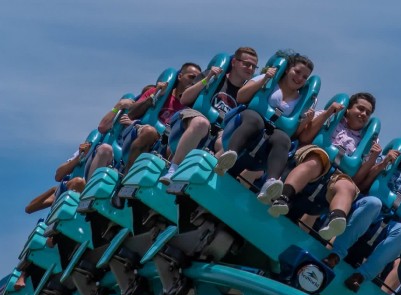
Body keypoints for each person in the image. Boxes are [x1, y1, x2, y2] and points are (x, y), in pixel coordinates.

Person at [323, 134, 401, 295]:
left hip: (389, 224)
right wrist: (383, 164)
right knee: (374, 203)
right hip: (367, 210)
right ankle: (335, 255)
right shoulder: (391, 162)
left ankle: (361, 276)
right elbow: (363, 184)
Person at [268, 92, 380, 240]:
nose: (364, 114)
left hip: (337, 175)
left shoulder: (367, 142)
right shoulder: (330, 116)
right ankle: (283, 197)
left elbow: (357, 179)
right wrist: (328, 113)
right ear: (348, 109)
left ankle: (336, 220)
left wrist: (373, 158)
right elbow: (305, 137)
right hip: (316, 158)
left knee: (348, 185)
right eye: (360, 108)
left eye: (368, 113)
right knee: (317, 161)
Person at [221, 51, 316, 203]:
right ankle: (230, 154)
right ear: (287, 69)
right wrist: (264, 79)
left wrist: (305, 121)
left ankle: (270, 183)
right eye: (297, 72)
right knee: (255, 120)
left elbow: (294, 133)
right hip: (248, 122)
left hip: (271, 137)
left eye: (305, 77)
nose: (299, 78)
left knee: (284, 139)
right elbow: (241, 96)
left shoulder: (301, 101)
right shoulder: (269, 80)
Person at [160, 47, 259, 184]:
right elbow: (184, 99)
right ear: (234, 62)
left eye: (254, 66)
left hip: (220, 130)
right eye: (246, 64)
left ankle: (203, 177)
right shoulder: (213, 76)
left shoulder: (246, 93)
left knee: (230, 143)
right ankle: (174, 169)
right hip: (194, 118)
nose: (250, 69)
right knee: (201, 123)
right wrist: (207, 79)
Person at [24, 141, 92, 214]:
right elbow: (29, 208)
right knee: (77, 182)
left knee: (78, 182)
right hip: (68, 193)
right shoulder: (64, 189)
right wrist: (54, 190)